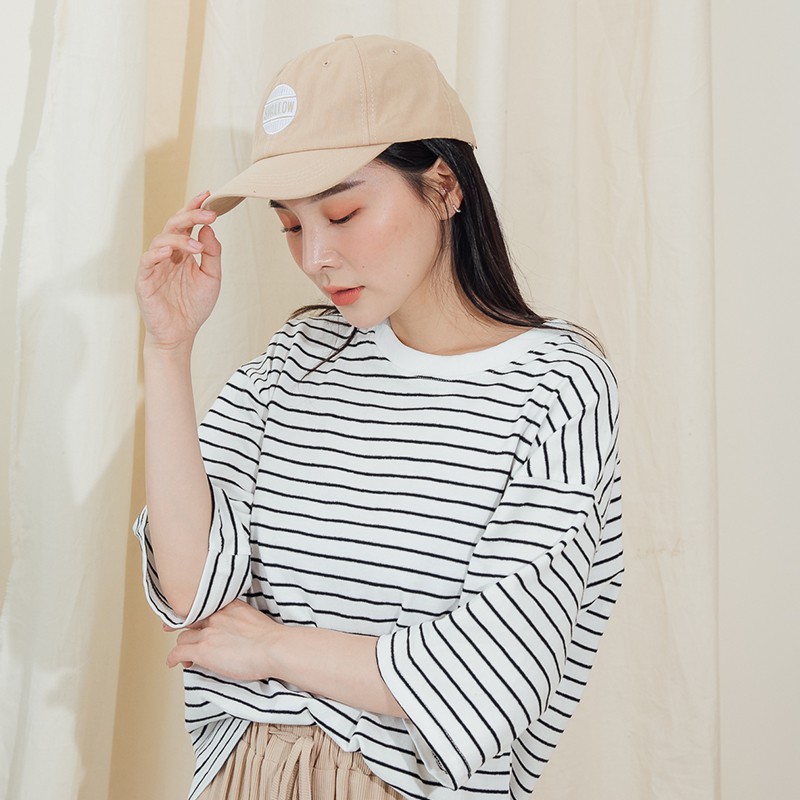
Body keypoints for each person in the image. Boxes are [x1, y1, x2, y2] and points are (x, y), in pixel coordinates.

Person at [133, 34, 623, 800]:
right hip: (242, 774)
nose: (315, 257)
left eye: (343, 212)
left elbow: (494, 675)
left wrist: (273, 647)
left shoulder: (555, 386)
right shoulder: (297, 358)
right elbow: (193, 591)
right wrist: (168, 351)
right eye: (291, 225)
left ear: (444, 186)